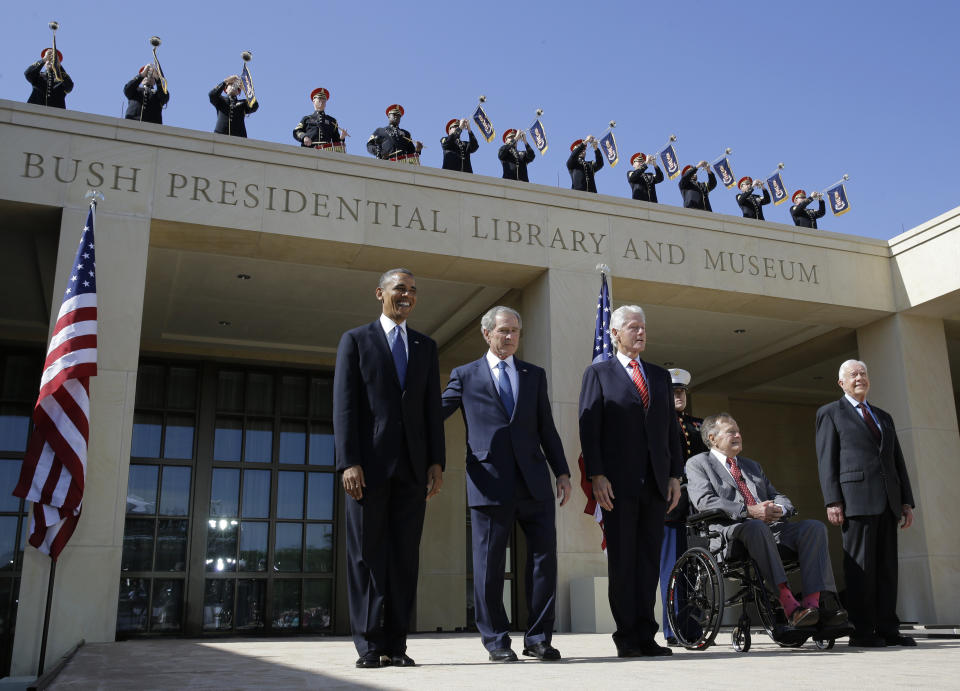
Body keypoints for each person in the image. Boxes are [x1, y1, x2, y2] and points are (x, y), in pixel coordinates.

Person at [442, 307, 571, 662]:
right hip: (489, 482)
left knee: (544, 562)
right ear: (487, 334)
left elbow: (546, 426)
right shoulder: (464, 374)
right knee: (490, 566)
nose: (511, 337)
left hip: (534, 482)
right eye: (504, 331)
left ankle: (539, 639)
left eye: (516, 331)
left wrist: (562, 471)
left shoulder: (533, 375)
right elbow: (436, 414)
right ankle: (497, 641)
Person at [332, 268, 445, 668]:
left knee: (403, 558)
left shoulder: (425, 346)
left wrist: (436, 461)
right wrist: (349, 461)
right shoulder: (356, 341)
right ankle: (368, 645)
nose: (407, 296)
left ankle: (396, 644)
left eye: (413, 291)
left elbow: (432, 408)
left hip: (413, 470)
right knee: (367, 556)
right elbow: (344, 405)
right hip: (368, 469)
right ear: (380, 293)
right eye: (400, 289)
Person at [578, 305, 683, 657]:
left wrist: (674, 475)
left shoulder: (659, 376)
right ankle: (626, 637)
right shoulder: (599, 374)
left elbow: (670, 430)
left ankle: (646, 635)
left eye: (644, 328)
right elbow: (589, 429)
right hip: (617, 485)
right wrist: (597, 475)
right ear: (615, 333)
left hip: (655, 484)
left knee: (648, 562)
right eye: (633, 327)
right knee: (623, 561)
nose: (641, 333)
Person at [686, 413, 849, 629]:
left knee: (814, 527)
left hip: (772, 529)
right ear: (712, 438)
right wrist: (749, 511)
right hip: (731, 534)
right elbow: (704, 501)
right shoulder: (698, 463)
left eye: (738, 431)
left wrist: (779, 509)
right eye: (731, 431)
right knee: (755, 526)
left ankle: (815, 605)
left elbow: (778, 495)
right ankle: (789, 604)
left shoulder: (752, 466)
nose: (738, 435)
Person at [815, 359, 916, 647]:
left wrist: (906, 501)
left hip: (888, 500)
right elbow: (826, 460)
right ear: (841, 383)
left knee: (886, 568)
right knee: (861, 568)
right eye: (853, 375)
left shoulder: (883, 416)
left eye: (863, 373)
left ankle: (887, 627)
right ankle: (862, 630)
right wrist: (833, 500)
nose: (859, 378)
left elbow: (897, 460)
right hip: (855, 500)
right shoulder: (830, 413)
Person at [659, 368, 707, 646]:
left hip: (697, 506)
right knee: (672, 568)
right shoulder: (657, 424)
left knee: (694, 570)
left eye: (682, 392)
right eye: (673, 391)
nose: (678, 396)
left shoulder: (698, 425)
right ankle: (673, 628)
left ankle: (692, 626)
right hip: (672, 506)